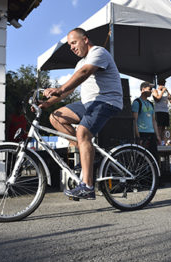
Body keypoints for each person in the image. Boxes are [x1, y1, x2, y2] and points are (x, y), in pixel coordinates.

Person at [40, 28, 122, 200]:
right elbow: (65, 93)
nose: (71, 47)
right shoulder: (80, 63)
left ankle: (88, 187)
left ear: (85, 39)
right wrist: (45, 104)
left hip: (107, 101)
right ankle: (89, 156)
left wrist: (60, 88)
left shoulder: (98, 52)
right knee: (55, 117)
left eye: (74, 43)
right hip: (88, 103)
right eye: (69, 45)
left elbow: (84, 74)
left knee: (82, 132)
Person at [132, 81, 162, 162]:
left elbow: (153, 120)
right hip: (142, 133)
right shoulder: (137, 102)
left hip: (151, 134)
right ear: (143, 89)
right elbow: (134, 121)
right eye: (150, 89)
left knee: (154, 158)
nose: (151, 91)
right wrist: (138, 137)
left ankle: (153, 174)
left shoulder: (151, 104)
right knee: (141, 158)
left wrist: (158, 136)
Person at [152, 78, 171, 145]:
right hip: (159, 111)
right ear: (158, 84)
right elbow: (157, 99)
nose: (163, 85)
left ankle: (163, 142)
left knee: (164, 128)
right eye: (161, 83)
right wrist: (162, 91)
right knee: (159, 128)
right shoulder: (155, 91)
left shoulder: (165, 91)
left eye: (164, 83)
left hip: (165, 111)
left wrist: (167, 91)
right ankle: (158, 141)